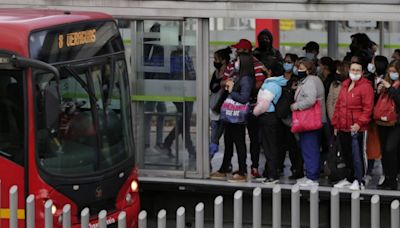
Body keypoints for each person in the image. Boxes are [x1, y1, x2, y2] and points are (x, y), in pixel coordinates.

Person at [222, 39, 267, 178]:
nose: (236, 52)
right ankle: (233, 167)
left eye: (239, 50)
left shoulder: (257, 65)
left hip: (253, 107)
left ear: (246, 51)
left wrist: (239, 88)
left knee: (254, 139)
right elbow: (224, 81)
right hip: (235, 108)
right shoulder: (233, 65)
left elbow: (261, 83)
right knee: (235, 138)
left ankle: (253, 167)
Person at [210, 53, 255, 182]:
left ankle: (242, 171)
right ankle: (224, 169)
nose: (235, 62)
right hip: (229, 115)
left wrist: (231, 92)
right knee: (228, 141)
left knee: (239, 143)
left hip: (237, 116)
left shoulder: (246, 78)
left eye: (238, 61)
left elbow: (244, 98)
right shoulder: (236, 75)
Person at [332, 60, 374, 191]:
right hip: (343, 126)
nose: (354, 72)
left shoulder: (366, 86)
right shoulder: (345, 85)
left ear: (362, 72)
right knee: (346, 154)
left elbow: (368, 109)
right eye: (353, 70)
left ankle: (359, 180)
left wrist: (359, 123)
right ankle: (350, 178)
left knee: (358, 154)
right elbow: (338, 106)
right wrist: (335, 124)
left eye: (357, 70)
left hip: (357, 127)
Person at [291, 59, 326, 187]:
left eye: (301, 68)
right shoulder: (313, 80)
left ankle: (312, 177)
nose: (298, 70)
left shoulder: (310, 81)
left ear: (308, 69)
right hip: (314, 120)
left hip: (310, 120)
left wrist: (296, 106)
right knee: (310, 147)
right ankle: (310, 175)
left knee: (309, 148)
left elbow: (311, 100)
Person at [160, 36, 196, 158]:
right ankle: (189, 149)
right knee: (185, 120)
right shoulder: (181, 56)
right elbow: (190, 74)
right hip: (184, 92)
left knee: (184, 121)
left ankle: (169, 144)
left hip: (182, 92)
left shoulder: (177, 55)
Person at [253, 62, 287, 183]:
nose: (263, 69)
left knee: (269, 147)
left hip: (267, 117)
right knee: (270, 145)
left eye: (265, 68)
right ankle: (269, 172)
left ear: (270, 71)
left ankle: (272, 175)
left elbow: (264, 104)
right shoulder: (275, 83)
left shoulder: (271, 85)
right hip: (271, 117)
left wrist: (254, 112)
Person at [278, 53, 304, 179]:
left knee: (294, 146)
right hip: (279, 116)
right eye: (285, 61)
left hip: (292, 117)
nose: (287, 63)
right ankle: (277, 166)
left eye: (289, 61)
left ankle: (296, 169)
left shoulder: (296, 79)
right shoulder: (277, 78)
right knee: (280, 144)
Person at [376, 60, 400, 190]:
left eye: (395, 72)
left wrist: (390, 89)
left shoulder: (396, 85)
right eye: (390, 71)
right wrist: (379, 90)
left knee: (391, 149)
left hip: (396, 123)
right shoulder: (385, 82)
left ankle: (394, 178)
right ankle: (388, 177)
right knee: (384, 151)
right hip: (382, 121)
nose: (391, 74)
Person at [143, 23, 167, 150]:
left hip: (156, 82)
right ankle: (148, 141)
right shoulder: (151, 44)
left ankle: (156, 141)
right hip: (153, 82)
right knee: (150, 112)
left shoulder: (151, 44)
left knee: (160, 111)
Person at [209, 47, 232, 157]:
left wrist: (223, 84)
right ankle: (209, 159)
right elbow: (212, 87)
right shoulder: (216, 73)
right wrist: (220, 84)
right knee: (213, 136)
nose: (215, 61)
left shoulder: (230, 73)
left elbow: (230, 90)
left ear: (223, 60)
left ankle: (215, 159)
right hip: (214, 109)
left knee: (220, 137)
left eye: (216, 59)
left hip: (224, 110)